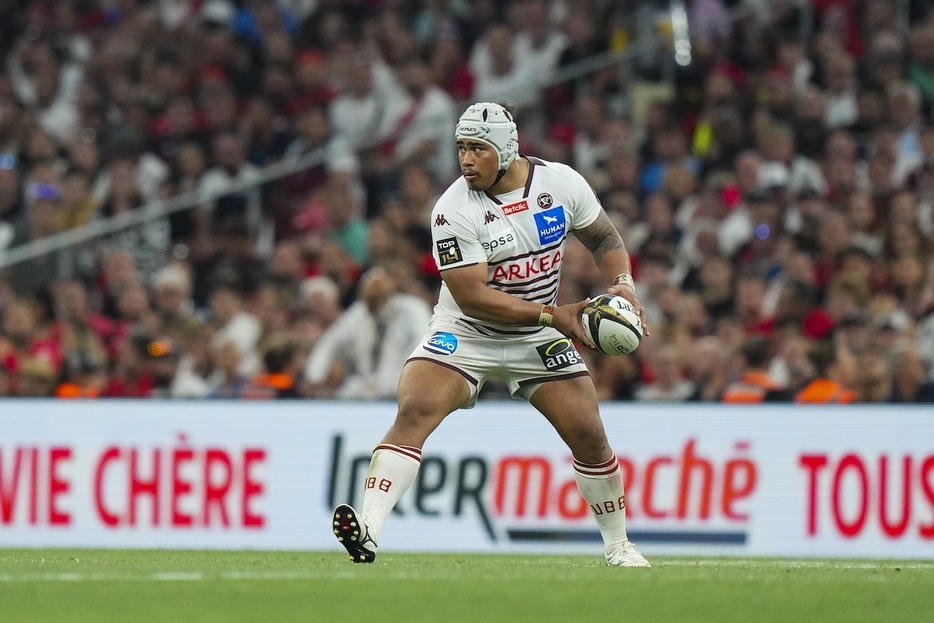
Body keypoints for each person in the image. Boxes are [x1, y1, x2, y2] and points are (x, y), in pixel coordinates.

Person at [331, 102, 651, 568]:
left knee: (589, 434)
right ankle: (368, 530)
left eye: (477, 149)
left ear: (505, 150)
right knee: (416, 408)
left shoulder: (560, 183)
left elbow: (605, 239)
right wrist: (552, 315)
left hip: (536, 338)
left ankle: (619, 546)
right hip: (468, 333)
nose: (465, 160)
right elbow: (474, 297)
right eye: (460, 148)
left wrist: (623, 285)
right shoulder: (451, 210)